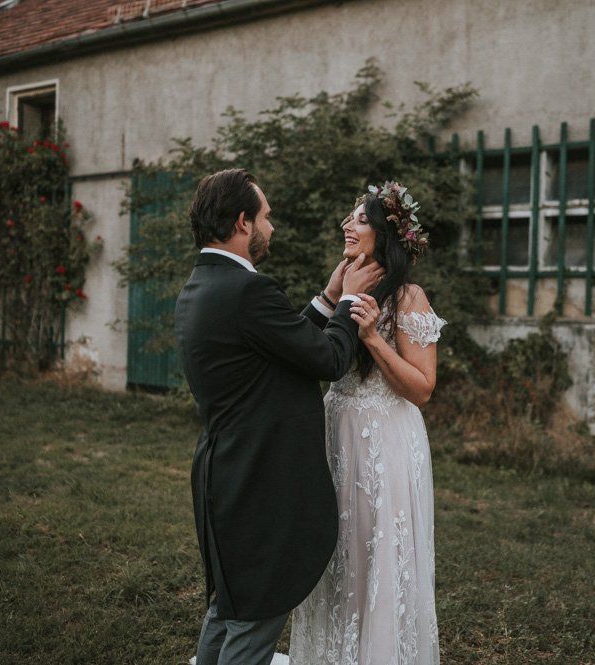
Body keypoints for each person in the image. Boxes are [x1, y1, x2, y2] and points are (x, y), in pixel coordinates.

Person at [175, 168, 384, 665]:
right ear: (243, 222)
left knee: (231, 608)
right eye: (266, 217)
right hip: (259, 480)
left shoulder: (203, 285)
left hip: (224, 474)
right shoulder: (247, 290)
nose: (273, 227)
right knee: (253, 620)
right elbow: (329, 359)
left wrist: (330, 298)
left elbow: (282, 344)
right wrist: (351, 300)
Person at [289, 182, 446, 665]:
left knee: (375, 555)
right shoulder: (348, 285)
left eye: (358, 218)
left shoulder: (408, 297)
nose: (346, 225)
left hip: (385, 442)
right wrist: (334, 296)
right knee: (335, 556)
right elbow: (305, 353)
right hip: (337, 433)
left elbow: (421, 388)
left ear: (384, 234)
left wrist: (374, 340)